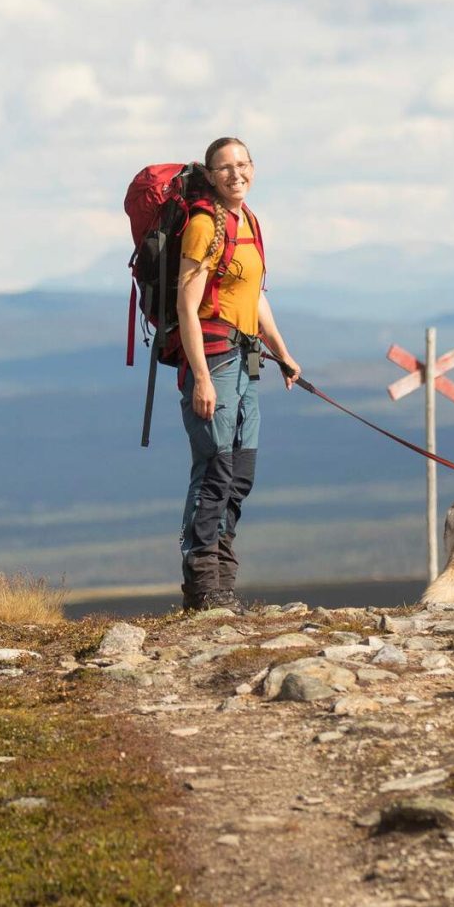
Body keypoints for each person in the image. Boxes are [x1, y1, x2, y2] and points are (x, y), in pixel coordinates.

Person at [175, 137, 301, 610]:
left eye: (243, 165)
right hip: (216, 360)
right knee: (213, 468)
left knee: (239, 473)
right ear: (210, 176)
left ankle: (223, 583)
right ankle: (204, 585)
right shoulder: (204, 225)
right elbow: (187, 306)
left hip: (247, 359)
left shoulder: (248, 222)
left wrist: (282, 352)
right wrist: (201, 378)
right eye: (224, 168)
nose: (236, 174)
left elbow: (255, 296)